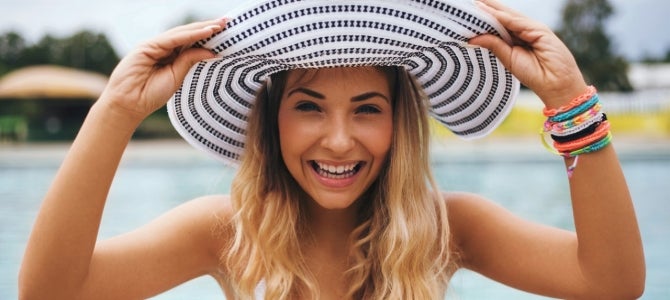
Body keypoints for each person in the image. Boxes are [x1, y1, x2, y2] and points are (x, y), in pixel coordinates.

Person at [19, 0, 645, 299]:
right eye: (309, 106)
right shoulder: (225, 233)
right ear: (271, 120)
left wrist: (568, 98)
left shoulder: (446, 228)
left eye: (368, 109)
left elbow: (613, 282)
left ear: (401, 121)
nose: (339, 140)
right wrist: (116, 112)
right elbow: (48, 291)